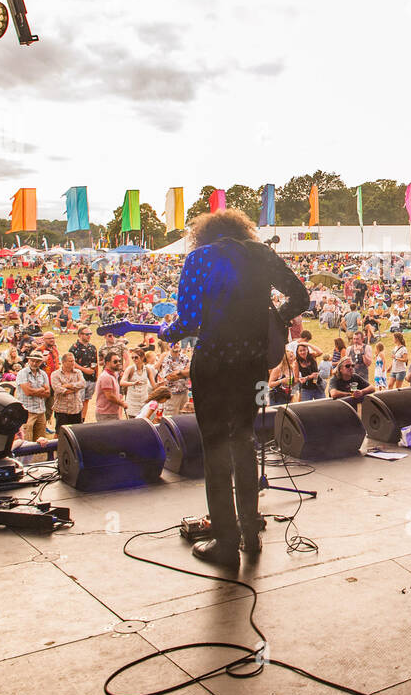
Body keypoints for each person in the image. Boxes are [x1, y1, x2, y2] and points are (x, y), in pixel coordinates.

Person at [161, 209, 309, 566]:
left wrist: (168, 333)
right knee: (244, 438)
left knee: (215, 446)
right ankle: (251, 531)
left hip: (213, 363)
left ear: (204, 234)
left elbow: (190, 318)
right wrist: (273, 318)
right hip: (253, 364)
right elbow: (300, 298)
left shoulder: (199, 258)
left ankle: (225, 540)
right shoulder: (260, 254)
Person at [15, 349, 51, 441]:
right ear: (28, 360)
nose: (34, 363)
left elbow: (48, 393)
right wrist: (42, 389)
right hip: (27, 411)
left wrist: (35, 390)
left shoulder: (43, 374)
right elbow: (28, 392)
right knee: (26, 440)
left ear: (41, 362)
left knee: (41, 441)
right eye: (32, 360)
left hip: (40, 411)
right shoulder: (22, 373)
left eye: (37, 361)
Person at [51, 352, 87, 429]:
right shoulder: (55, 374)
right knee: (60, 433)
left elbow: (83, 384)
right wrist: (76, 389)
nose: (73, 363)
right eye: (70, 361)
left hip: (76, 408)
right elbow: (58, 389)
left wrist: (68, 385)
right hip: (62, 409)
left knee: (77, 431)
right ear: (63, 362)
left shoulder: (78, 372)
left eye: (74, 361)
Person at [121, 348, 154, 418]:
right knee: (133, 424)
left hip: (144, 402)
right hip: (132, 403)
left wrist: (160, 384)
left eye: (136, 357)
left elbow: (154, 385)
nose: (134, 359)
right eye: (132, 357)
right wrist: (133, 383)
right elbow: (122, 382)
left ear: (142, 357)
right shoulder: (130, 369)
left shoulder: (147, 369)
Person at [95, 352, 126, 421]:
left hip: (112, 413)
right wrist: (122, 404)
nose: (118, 363)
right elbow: (109, 396)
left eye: (119, 361)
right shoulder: (106, 377)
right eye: (115, 361)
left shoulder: (114, 375)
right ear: (107, 363)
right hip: (105, 415)